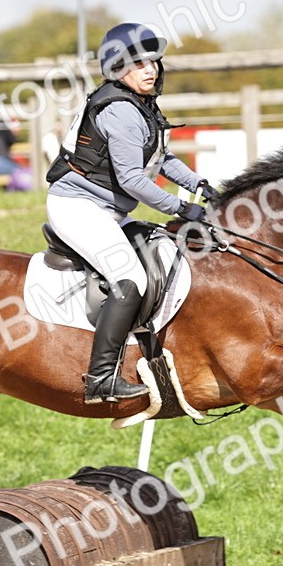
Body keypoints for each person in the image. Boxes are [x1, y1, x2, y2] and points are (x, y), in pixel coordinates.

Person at [46, 23, 220, 404]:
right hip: (78, 206)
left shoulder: (141, 106)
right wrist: (181, 207)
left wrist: (201, 184)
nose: (150, 69)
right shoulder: (120, 111)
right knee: (130, 278)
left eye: (153, 62)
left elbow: (161, 158)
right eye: (138, 63)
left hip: (105, 209)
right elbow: (132, 181)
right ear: (118, 70)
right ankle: (101, 378)